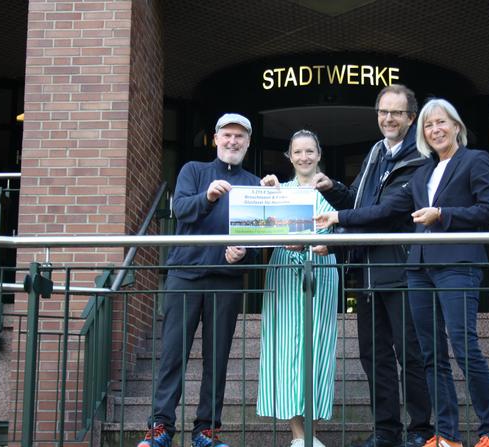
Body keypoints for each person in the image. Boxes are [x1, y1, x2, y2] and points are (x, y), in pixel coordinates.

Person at [311, 84, 434, 447]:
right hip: (364, 272)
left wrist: (337, 217)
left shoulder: (420, 159)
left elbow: (388, 211)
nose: (388, 119)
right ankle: (386, 432)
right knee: (374, 356)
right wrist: (332, 187)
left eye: (396, 112)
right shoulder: (375, 153)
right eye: (383, 112)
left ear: (411, 118)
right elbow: (359, 201)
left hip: (400, 269)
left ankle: (421, 430)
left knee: (410, 353)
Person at [137, 113, 260, 447]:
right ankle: (160, 427)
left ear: (248, 143)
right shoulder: (194, 171)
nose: (233, 141)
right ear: (216, 139)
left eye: (240, 137)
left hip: (226, 280)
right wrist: (208, 197)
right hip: (185, 274)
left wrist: (243, 253)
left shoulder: (253, 183)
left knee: (217, 359)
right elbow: (182, 211)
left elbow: (259, 240)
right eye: (227, 135)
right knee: (173, 355)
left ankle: (206, 430)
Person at [400, 98, 489, 447]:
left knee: (464, 346)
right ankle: (447, 436)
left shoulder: (476, 160)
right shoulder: (421, 173)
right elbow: (388, 209)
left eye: (441, 122)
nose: (435, 130)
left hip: (458, 264)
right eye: (428, 126)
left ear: (456, 126)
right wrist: (338, 216)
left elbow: (488, 211)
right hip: (420, 268)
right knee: (431, 354)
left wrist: (442, 214)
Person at [257, 130, 339, 447]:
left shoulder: (333, 191)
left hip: (322, 268)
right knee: (286, 348)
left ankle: (313, 432)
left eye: (309, 151)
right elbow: (260, 229)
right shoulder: (281, 190)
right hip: (285, 270)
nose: (304, 157)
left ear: (319, 153)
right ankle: (298, 435)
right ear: (289, 157)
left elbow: (348, 225)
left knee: (317, 347)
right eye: (297, 152)